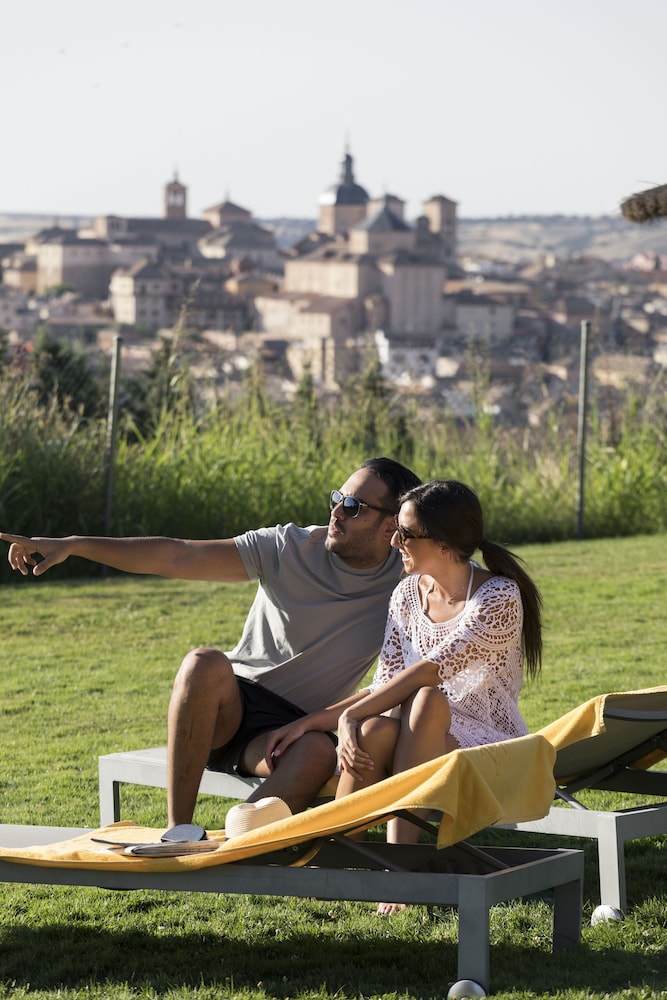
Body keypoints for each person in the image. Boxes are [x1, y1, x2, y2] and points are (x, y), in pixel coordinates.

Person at [0, 457, 421, 828]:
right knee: (203, 661)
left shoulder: (409, 580)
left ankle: (234, 842)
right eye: (336, 499)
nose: (336, 512)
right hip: (229, 705)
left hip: (292, 729)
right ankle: (178, 831)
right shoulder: (288, 546)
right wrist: (75, 545)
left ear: (391, 525)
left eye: (353, 507)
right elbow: (177, 555)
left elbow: (456, 573)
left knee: (317, 753)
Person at [266, 478, 542, 914]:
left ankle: (398, 870)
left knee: (425, 698)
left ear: (444, 543)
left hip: (486, 742)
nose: (394, 542)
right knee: (376, 730)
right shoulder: (406, 595)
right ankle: (334, 857)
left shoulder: (498, 597)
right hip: (415, 733)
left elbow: (430, 671)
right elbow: (386, 684)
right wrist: (318, 721)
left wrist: (350, 717)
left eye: (406, 533)